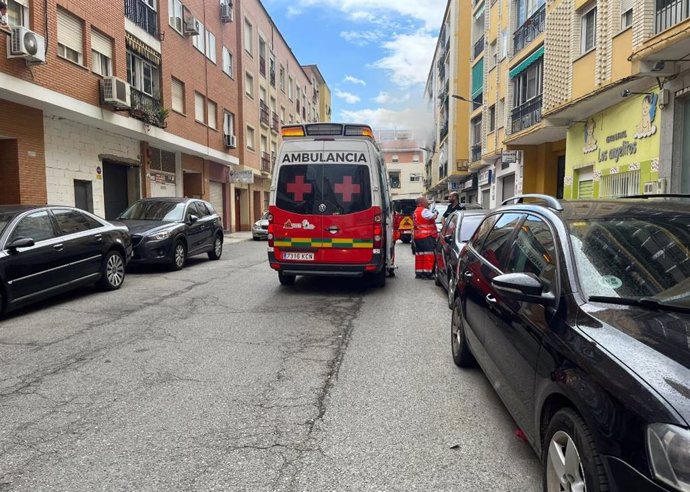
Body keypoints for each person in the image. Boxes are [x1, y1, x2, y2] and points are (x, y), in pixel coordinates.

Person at [413, 196, 438, 279]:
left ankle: (419, 273)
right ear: (421, 203)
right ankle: (428, 274)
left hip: (418, 237)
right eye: (425, 201)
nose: (427, 202)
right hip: (426, 237)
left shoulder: (416, 211)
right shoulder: (424, 210)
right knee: (428, 255)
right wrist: (436, 213)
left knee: (420, 255)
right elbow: (433, 217)